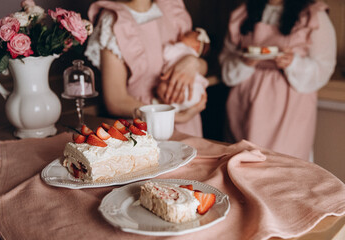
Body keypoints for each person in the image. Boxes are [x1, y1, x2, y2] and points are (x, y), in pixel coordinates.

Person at [219, 0, 336, 160]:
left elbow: (325, 66)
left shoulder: (313, 15)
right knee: (241, 164)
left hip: (290, 109)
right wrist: (245, 62)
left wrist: (293, 63)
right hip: (244, 104)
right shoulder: (243, 13)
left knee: (284, 169)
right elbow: (226, 63)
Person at [85, 0, 208, 137]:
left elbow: (198, 65)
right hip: (145, 127)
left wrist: (194, 63)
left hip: (188, 125)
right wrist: (177, 115)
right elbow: (115, 101)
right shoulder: (115, 19)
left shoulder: (171, 7)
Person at [154, 27, 210, 112]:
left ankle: (172, 105)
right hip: (196, 91)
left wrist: (170, 45)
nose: (182, 35)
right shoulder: (193, 55)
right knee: (178, 97)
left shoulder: (183, 48)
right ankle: (177, 106)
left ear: (196, 46)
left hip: (185, 87)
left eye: (187, 35)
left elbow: (166, 53)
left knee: (161, 88)